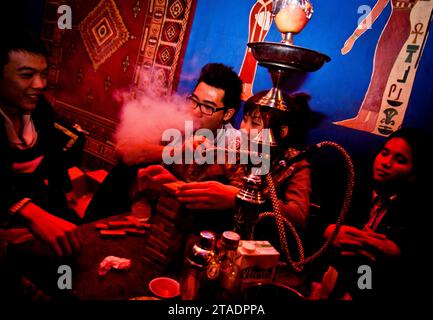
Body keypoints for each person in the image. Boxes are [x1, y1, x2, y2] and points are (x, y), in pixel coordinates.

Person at [86, 63, 244, 234]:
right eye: (194, 101)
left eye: (208, 107)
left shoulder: (234, 144)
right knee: (124, 170)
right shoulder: (178, 121)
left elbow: (243, 197)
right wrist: (176, 151)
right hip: (160, 204)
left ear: (227, 114)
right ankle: (86, 230)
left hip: (195, 220)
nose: (196, 112)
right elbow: (124, 149)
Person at [0, 30, 80, 298]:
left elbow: (55, 156)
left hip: (33, 194)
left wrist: (64, 192)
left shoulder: (41, 109)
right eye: (26, 75)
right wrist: (28, 212)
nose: (39, 84)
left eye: (43, 74)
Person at [321, 128, 432, 300]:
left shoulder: (416, 211)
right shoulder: (352, 186)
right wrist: (329, 231)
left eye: (400, 160)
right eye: (384, 153)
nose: (386, 163)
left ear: (413, 175)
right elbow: (317, 224)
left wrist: (396, 256)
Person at [337, 0, 423, 132]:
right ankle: (363, 117)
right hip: (390, 28)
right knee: (378, 72)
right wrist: (353, 38)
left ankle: (371, 121)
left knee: (383, 74)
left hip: (401, 29)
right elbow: (374, 13)